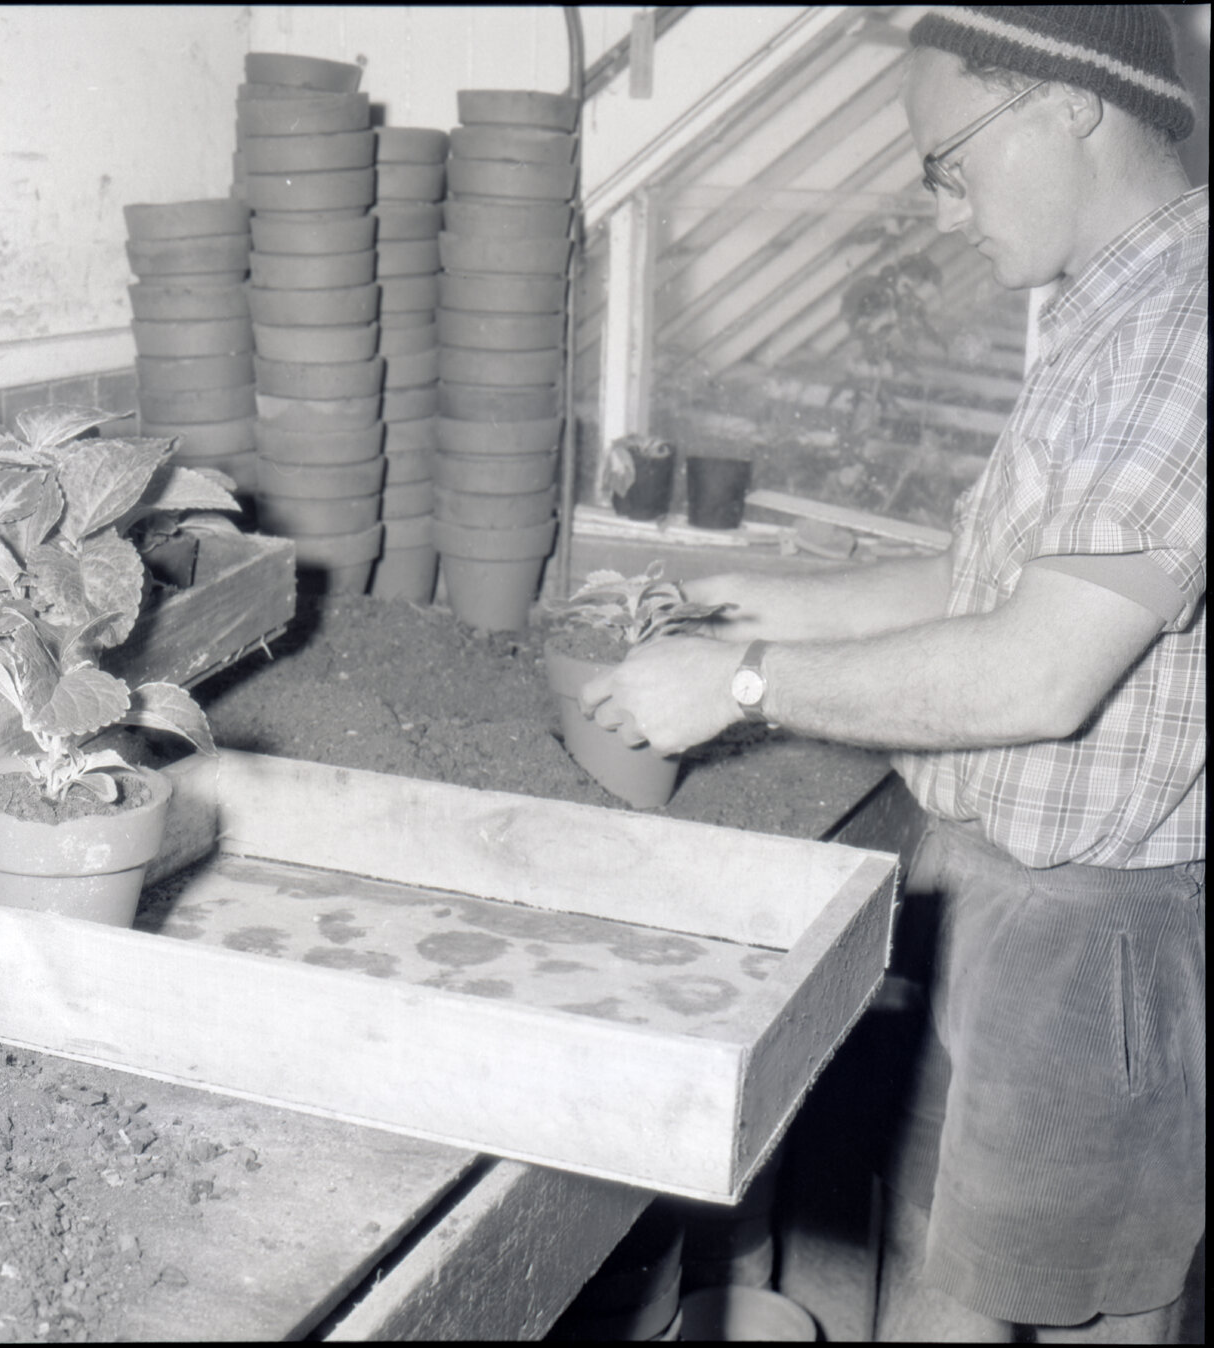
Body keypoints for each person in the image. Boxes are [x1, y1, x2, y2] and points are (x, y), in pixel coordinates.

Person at [579, 7, 1205, 1342]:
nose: (941, 209)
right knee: (937, 1276)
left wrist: (746, 684)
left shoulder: (1186, 332)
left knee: (1060, 1315)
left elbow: (1040, 672)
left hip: (1098, 939)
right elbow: (994, 582)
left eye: (949, 162)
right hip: (1000, 892)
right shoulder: (1110, 314)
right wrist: (759, 606)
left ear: (1070, 103)